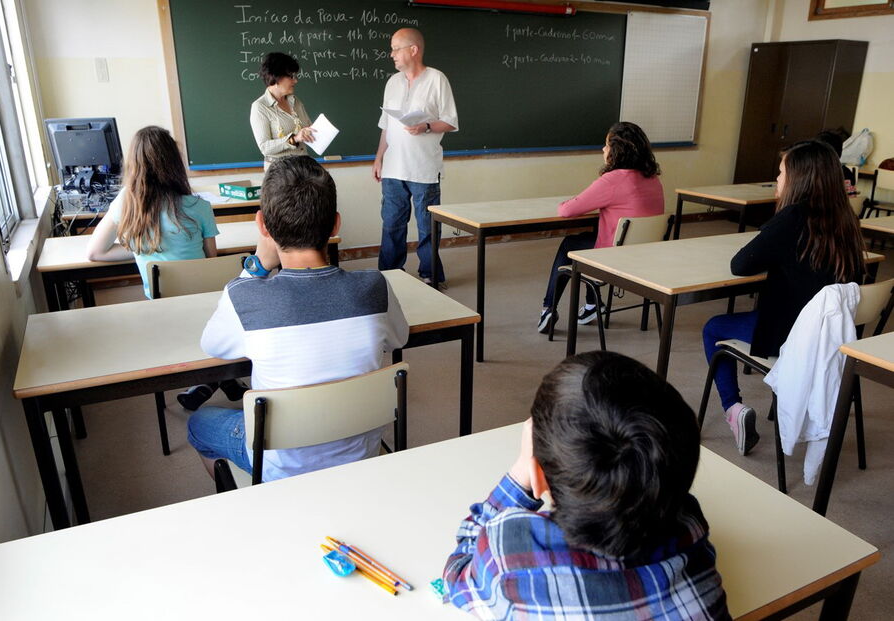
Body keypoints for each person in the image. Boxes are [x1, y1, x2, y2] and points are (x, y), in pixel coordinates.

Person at [443, 351, 730, 620]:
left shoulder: (511, 551)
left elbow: (456, 575)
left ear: (539, 476)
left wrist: (521, 473)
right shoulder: (690, 523)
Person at [187, 155, 409, 482]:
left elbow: (212, 345)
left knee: (198, 424)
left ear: (262, 226)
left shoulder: (245, 297)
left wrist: (256, 267)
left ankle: (255, 494)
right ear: (336, 225)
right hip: (361, 455)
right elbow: (400, 338)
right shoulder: (375, 287)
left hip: (281, 468)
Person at [702, 140, 865, 455]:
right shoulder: (846, 219)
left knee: (713, 327)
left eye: (780, 173)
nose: (776, 179)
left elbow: (740, 265)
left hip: (791, 337)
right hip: (835, 343)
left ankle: (733, 409)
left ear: (798, 179)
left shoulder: (793, 217)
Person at [85, 125, 246, 410]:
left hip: (160, 307)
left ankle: (211, 381)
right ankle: (222, 379)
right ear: (174, 162)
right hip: (205, 305)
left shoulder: (126, 203)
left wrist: (142, 247)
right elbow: (211, 260)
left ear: (133, 164)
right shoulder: (199, 206)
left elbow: (95, 253)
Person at [537, 122, 663, 333]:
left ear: (617, 150)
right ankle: (591, 305)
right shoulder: (653, 179)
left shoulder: (613, 180)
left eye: (606, 145)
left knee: (570, 244)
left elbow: (566, 211)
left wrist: (566, 201)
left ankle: (548, 308)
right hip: (646, 255)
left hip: (615, 258)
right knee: (595, 233)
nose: (603, 149)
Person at [373, 28, 458, 287]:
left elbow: (450, 121)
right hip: (393, 168)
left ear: (413, 50)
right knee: (391, 225)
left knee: (427, 227)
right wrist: (379, 158)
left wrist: (426, 126)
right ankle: (390, 274)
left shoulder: (437, 79)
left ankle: (431, 275)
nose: (391, 54)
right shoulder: (392, 82)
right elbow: (386, 126)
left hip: (424, 168)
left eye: (395, 49)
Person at [249, 52, 315, 169]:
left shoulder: (295, 101)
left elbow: (308, 127)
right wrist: (294, 139)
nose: (295, 81)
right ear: (276, 77)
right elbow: (264, 147)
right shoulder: (260, 107)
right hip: (280, 172)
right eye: (291, 77)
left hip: (303, 168)